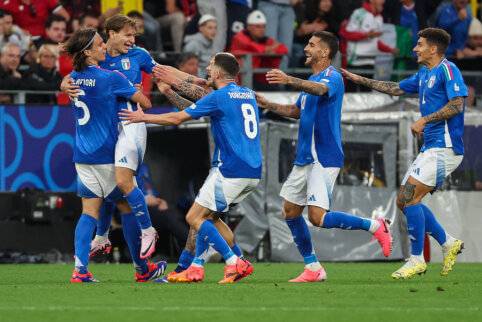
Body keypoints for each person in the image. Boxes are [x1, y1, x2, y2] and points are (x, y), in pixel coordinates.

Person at [61, 15, 206, 276]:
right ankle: (143, 253)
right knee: (126, 198)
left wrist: (194, 81)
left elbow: (163, 71)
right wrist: (133, 89)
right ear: (110, 35)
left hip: (104, 140)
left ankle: (87, 261)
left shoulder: (131, 57)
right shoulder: (106, 68)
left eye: (134, 35)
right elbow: (146, 102)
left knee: (97, 205)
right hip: (109, 140)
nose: (132, 40)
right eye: (127, 34)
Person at [255, 31, 393, 283]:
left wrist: (289, 79)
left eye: (312, 45)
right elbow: (297, 110)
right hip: (306, 156)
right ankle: (313, 268)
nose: (306, 48)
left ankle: (376, 226)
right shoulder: (312, 78)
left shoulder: (332, 77)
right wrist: (269, 105)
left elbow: (320, 90)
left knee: (317, 218)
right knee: (290, 210)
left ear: (325, 52)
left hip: (324, 155)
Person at [120, 52, 260, 284]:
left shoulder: (219, 95)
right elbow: (202, 109)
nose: (206, 68)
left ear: (217, 72)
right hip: (252, 171)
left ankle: (235, 263)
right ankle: (201, 266)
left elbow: (178, 119)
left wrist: (144, 117)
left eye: (210, 65)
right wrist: (168, 92)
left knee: (194, 217)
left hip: (229, 168)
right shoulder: (245, 94)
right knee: (210, 218)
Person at [341, 27, 466, 279]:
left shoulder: (448, 69)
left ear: (433, 48)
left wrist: (425, 120)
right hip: (431, 147)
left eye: (419, 44)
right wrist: (360, 80)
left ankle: (416, 259)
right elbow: (395, 88)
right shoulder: (423, 74)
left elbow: (457, 104)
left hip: (445, 146)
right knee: (403, 201)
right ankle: (447, 241)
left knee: (409, 197)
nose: (414, 49)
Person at [60, 28, 166, 283]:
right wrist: (135, 87)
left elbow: (67, 81)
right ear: (87, 52)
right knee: (127, 205)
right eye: (98, 45)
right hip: (106, 155)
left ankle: (80, 270)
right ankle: (143, 269)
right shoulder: (111, 78)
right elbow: (146, 103)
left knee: (89, 212)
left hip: (82, 155)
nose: (103, 47)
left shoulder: (72, 78)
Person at [344, 0, 399, 92]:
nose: (384, 1)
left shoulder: (379, 17)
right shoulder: (359, 13)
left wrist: (390, 50)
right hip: (355, 62)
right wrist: (366, 35)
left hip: (370, 61)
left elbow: (375, 41)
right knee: (351, 93)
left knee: (367, 94)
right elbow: (347, 34)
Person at [229, 10, 288, 90]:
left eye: (263, 27)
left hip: (260, 79)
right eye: (258, 27)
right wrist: (269, 48)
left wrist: (263, 49)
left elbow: (284, 49)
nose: (261, 30)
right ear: (249, 27)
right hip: (239, 80)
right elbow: (258, 49)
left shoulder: (264, 39)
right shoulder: (239, 37)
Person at [0, 0, 69, 37]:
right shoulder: (5, 3)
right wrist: (16, 30)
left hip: (45, 38)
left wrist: (52, 30)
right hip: (19, 38)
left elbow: (65, 16)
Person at [183, 14, 217, 78]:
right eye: (210, 28)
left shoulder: (212, 43)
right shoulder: (192, 44)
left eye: (215, 28)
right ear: (200, 28)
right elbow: (188, 68)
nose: (213, 31)